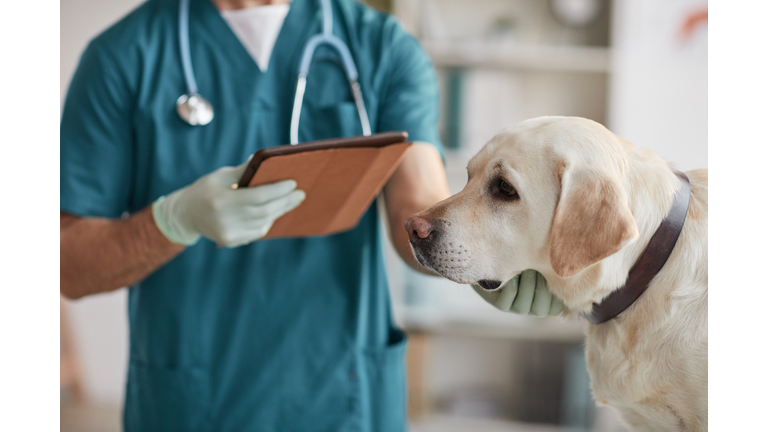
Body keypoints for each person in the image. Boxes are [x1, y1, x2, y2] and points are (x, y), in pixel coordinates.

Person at [60, 0, 556, 430]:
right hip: (194, 403)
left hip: (341, 400)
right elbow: (65, 263)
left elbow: (417, 207)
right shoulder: (122, 58)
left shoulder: (381, 48)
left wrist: (475, 256)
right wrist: (172, 220)